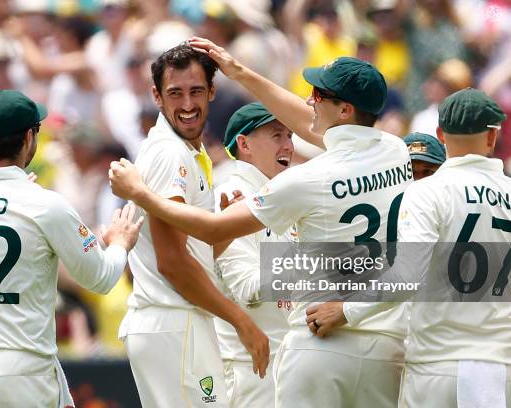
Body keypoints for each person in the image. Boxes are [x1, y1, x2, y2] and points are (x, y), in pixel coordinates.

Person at [110, 43, 411, 407]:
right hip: (385, 344)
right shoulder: (395, 150)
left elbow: (212, 230)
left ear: (345, 109)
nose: (309, 101)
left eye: (319, 95)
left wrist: (141, 195)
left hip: (320, 342)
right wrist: (239, 71)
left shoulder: (305, 179)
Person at [0, 89, 143, 408]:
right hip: (22, 373)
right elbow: (102, 278)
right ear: (29, 138)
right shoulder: (45, 204)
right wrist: (120, 243)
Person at [307, 88, 510, 407]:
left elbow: (406, 276)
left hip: (437, 366)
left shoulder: (429, 192)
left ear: (441, 135)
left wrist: (346, 310)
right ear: (493, 136)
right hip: (501, 370)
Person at [117, 44, 268, 408]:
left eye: (196, 91)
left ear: (212, 91)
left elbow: (194, 253)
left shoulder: (186, 151)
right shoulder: (171, 154)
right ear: (156, 96)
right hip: (174, 320)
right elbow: (173, 261)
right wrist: (242, 322)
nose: (187, 105)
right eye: (175, 93)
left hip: (174, 323)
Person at [215, 102, 293, 407]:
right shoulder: (229, 199)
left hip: (286, 364)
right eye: (276, 136)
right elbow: (248, 289)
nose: (288, 145)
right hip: (250, 370)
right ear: (244, 144)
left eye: (289, 135)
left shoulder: (282, 197)